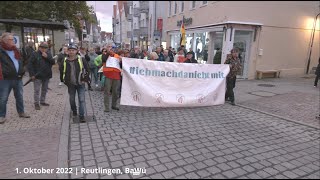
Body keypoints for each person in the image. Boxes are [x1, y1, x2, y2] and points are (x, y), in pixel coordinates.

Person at [0, 32, 30, 124]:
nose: (13, 41)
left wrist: (22, 70)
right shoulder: (1, 50)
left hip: (18, 78)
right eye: (11, 39)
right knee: (3, 98)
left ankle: (21, 112)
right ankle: (1, 115)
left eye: (13, 39)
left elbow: (21, 61)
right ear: (4, 41)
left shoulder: (16, 50)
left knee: (19, 96)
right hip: (5, 79)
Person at [60, 44, 90, 122]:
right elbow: (61, 71)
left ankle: (82, 116)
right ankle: (74, 111)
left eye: (73, 50)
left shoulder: (81, 59)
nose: (71, 52)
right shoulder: (65, 60)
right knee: (72, 99)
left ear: (76, 51)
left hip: (80, 83)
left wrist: (84, 80)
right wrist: (63, 81)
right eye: (70, 50)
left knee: (81, 99)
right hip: (70, 84)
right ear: (67, 51)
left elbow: (87, 70)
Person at [28, 42, 55, 110]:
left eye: (45, 48)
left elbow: (53, 62)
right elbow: (30, 65)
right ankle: (36, 103)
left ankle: (42, 101)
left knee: (44, 89)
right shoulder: (34, 54)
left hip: (46, 75)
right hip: (37, 75)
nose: (43, 49)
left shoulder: (49, 54)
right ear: (39, 47)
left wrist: (47, 57)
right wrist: (32, 74)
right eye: (42, 47)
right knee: (37, 90)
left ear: (47, 49)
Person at [102, 48, 122, 112]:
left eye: (112, 49)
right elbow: (103, 59)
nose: (111, 51)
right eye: (109, 49)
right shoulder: (105, 55)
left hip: (116, 76)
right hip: (108, 75)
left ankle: (114, 105)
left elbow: (121, 65)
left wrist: (121, 61)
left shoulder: (117, 56)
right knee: (107, 92)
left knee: (116, 92)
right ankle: (107, 107)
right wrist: (108, 53)